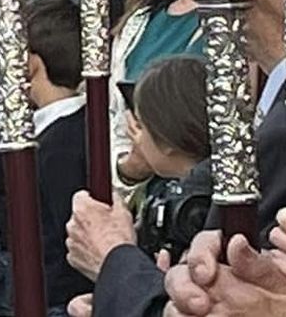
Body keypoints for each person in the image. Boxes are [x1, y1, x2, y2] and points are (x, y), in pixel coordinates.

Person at [66, 56, 213, 317]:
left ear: (166, 140)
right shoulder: (176, 196)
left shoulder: (191, 211)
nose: (137, 138)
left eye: (141, 127)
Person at [110, 0, 200, 189]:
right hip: (151, 207)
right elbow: (115, 132)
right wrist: (131, 167)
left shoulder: (242, 16)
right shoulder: (138, 25)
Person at [27, 0, 93, 314]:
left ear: (31, 64)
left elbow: (68, 229)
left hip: (60, 298)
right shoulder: (84, 126)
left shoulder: (57, 146)